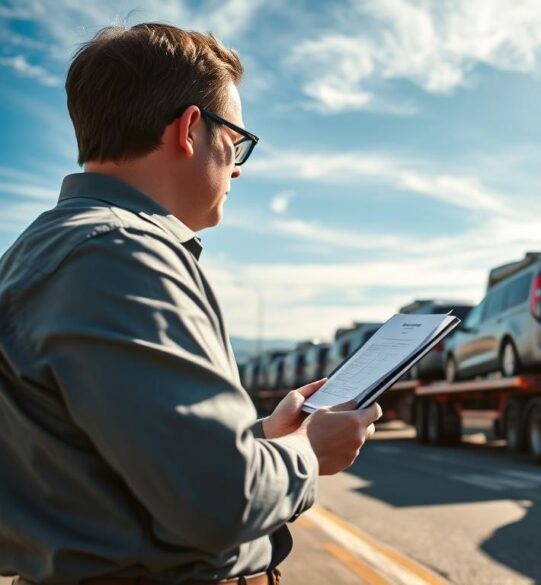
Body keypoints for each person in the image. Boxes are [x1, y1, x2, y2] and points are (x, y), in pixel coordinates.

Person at [0, 22, 380, 585]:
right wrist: (307, 453)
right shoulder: (122, 254)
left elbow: (115, 464)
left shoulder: (52, 245)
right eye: (238, 142)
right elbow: (219, 501)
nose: (239, 166)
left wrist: (259, 442)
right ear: (191, 129)